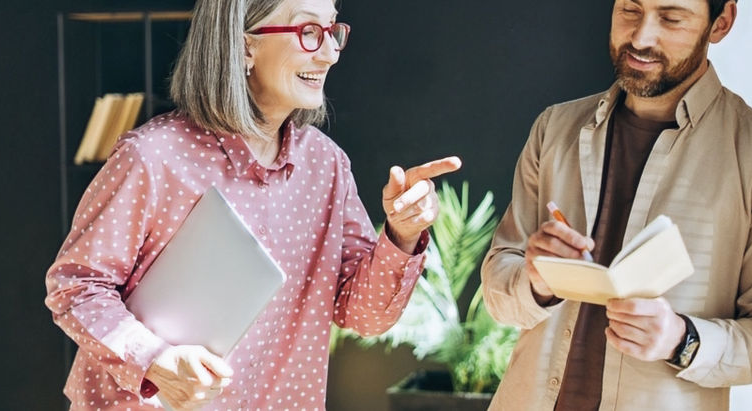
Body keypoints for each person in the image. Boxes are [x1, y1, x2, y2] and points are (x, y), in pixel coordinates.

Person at [45, 0, 460, 409]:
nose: (332, 53)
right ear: (245, 46)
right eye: (309, 32)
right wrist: (155, 362)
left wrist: (401, 235)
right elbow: (75, 287)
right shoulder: (153, 157)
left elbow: (364, 316)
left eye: (333, 31)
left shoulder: (326, 164)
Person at [481, 0, 752, 410]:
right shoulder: (554, 129)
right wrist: (537, 282)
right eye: (630, 9)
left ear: (721, 23)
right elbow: (497, 292)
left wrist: (681, 340)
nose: (641, 37)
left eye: (670, 18)